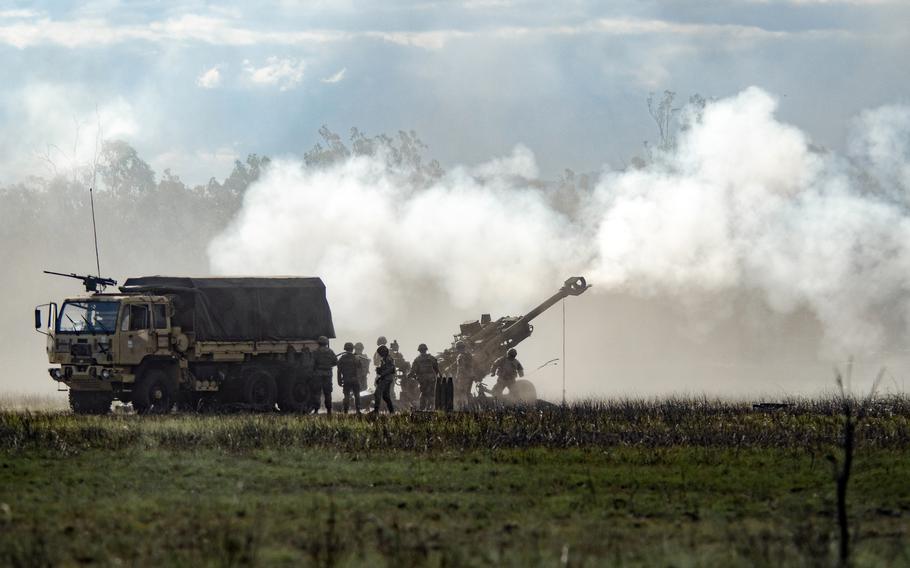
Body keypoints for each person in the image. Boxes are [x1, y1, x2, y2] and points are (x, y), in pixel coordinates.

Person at [408, 343, 440, 410]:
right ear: (426, 350)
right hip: (432, 378)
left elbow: (413, 371)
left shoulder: (417, 359)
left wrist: (410, 375)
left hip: (422, 379)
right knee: (431, 393)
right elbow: (437, 369)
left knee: (424, 394)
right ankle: (432, 407)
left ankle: (422, 408)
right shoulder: (431, 358)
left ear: (419, 350)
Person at [313, 336, 338, 414]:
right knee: (328, 393)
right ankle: (329, 410)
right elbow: (335, 362)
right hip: (328, 374)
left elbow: (312, 363)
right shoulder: (330, 351)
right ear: (326, 343)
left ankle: (316, 410)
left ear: (319, 343)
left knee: (317, 392)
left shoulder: (316, 352)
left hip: (318, 374)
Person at [390, 340, 416, 409]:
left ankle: (406, 400)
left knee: (405, 386)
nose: (396, 348)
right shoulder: (389, 354)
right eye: (395, 347)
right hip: (390, 375)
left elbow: (403, 363)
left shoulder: (399, 355)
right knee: (390, 389)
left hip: (401, 375)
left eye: (397, 346)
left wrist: (405, 371)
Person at [337, 342, 362, 413]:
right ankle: (358, 410)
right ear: (352, 349)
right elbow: (360, 367)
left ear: (345, 349)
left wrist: (339, 381)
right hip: (355, 379)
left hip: (346, 380)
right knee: (357, 395)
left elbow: (339, 371)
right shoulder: (356, 357)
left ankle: (346, 411)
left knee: (346, 396)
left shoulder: (342, 358)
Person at [373, 344, 396, 414]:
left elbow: (390, 369)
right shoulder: (385, 359)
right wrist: (380, 371)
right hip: (386, 378)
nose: (380, 354)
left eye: (381, 353)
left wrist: (381, 375)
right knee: (386, 396)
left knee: (377, 393)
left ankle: (376, 411)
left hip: (386, 379)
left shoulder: (388, 359)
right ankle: (392, 412)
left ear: (384, 352)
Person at [453, 341, 475, 409]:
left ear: (457, 348)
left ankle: (464, 408)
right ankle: (472, 406)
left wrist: (457, 377)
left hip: (463, 377)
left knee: (461, 392)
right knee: (468, 392)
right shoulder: (468, 354)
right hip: (470, 376)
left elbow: (461, 368)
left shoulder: (460, 356)